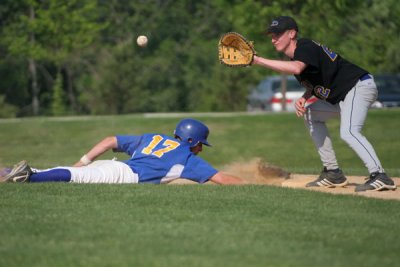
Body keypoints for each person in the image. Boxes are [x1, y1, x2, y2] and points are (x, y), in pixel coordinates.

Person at [252, 16, 396, 192]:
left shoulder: (304, 46)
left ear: (292, 33)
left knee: (349, 131)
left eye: (277, 34)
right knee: (311, 112)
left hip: (359, 87)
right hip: (344, 95)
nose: (273, 39)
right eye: (271, 35)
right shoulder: (300, 56)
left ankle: (380, 176)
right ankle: (333, 172)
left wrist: (257, 60)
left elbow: (297, 68)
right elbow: (321, 77)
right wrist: (306, 96)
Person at [2, 118, 246, 185]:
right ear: (191, 140)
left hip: (113, 165)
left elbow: (110, 140)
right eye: (201, 143)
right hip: (124, 176)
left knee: (69, 171)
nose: (201, 149)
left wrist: (82, 161)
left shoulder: (155, 137)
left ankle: (10, 172)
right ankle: (27, 179)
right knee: (75, 177)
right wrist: (252, 184)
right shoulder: (187, 157)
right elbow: (222, 178)